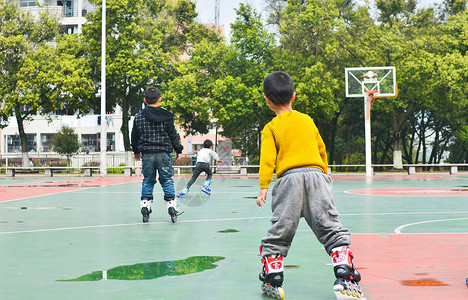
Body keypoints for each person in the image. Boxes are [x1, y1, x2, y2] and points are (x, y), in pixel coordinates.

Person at [256, 71, 362, 299]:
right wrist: (324, 173)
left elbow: (267, 159)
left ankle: (273, 272)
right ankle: (344, 270)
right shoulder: (307, 120)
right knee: (329, 225)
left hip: (288, 181)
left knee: (281, 228)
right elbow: (321, 148)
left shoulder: (271, 128)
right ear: (293, 96)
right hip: (316, 176)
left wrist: (264, 185)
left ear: (267, 100)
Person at [131, 87, 184, 223]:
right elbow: (174, 135)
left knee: (148, 180)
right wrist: (178, 149)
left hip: (147, 154)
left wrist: (136, 151)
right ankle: (172, 206)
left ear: (144, 100)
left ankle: (145, 207)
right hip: (164, 153)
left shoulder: (139, 117)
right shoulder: (167, 116)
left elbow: (134, 136)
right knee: (166, 179)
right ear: (160, 99)